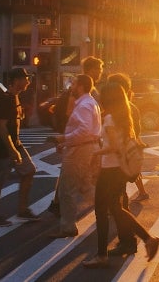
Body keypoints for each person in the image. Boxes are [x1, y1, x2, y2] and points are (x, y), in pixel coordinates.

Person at [82, 82, 159, 268]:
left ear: (109, 98)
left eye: (102, 95)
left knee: (102, 211)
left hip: (110, 171)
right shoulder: (123, 117)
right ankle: (148, 239)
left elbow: (115, 147)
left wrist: (95, 154)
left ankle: (102, 255)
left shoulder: (109, 119)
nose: (99, 97)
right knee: (116, 208)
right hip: (118, 171)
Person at [48, 75, 102, 238]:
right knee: (85, 185)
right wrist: (65, 142)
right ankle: (109, 208)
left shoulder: (84, 105)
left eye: (74, 84)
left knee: (67, 189)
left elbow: (84, 130)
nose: (71, 88)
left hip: (79, 151)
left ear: (81, 86)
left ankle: (68, 227)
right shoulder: (90, 103)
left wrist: (64, 139)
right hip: (86, 148)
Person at [0, 68, 40, 227]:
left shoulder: (16, 98)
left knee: (29, 170)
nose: (28, 81)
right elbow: (1, 127)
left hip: (15, 144)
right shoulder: (5, 100)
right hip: (3, 147)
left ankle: (22, 210)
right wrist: (12, 150)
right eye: (25, 78)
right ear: (16, 80)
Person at [106, 73, 150, 256]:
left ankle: (132, 240)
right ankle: (130, 240)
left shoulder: (123, 109)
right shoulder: (128, 108)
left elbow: (126, 137)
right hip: (120, 162)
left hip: (117, 163)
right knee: (118, 203)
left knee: (118, 204)